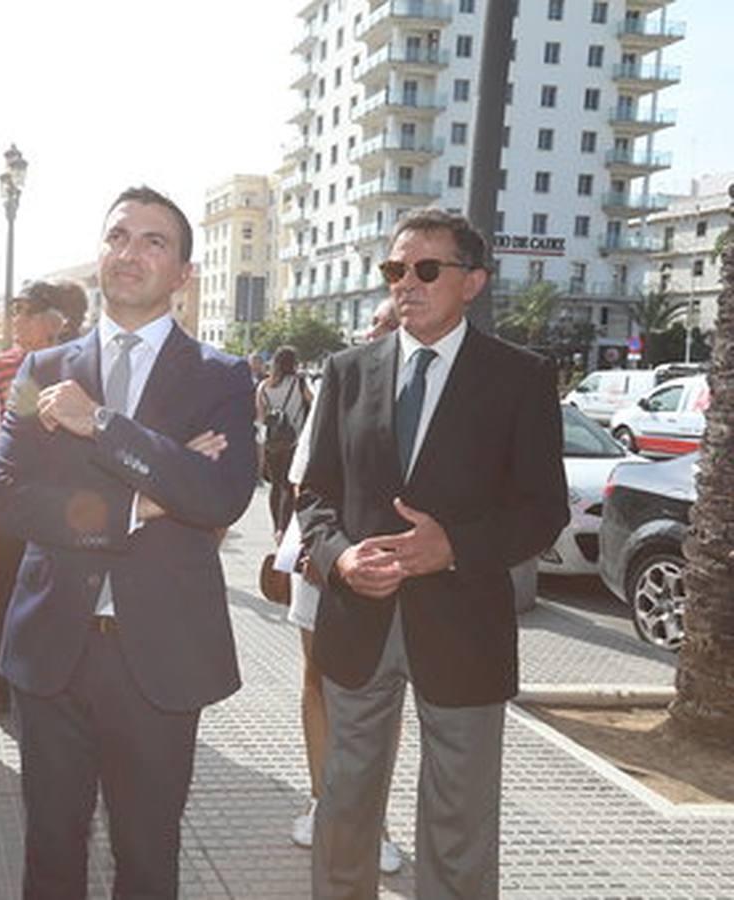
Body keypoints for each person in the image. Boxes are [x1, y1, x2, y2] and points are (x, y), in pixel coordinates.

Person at [0, 186, 257, 897]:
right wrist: (141, 501)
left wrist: (102, 426)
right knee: (49, 852)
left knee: (146, 857)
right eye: (117, 237)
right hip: (52, 652)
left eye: (152, 241)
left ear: (183, 274)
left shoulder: (220, 378)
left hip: (162, 656)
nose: (128, 253)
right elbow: (2, 497)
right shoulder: (43, 370)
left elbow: (219, 496)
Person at [298, 208, 568, 898]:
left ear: (472, 281)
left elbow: (543, 511)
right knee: (345, 806)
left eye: (426, 269)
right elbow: (314, 496)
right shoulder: (346, 370)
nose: (406, 283)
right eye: (395, 269)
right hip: (357, 625)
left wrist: (453, 547)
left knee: (458, 821)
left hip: (464, 632)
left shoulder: (520, 377)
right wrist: (339, 559)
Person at [285, 297, 402, 875]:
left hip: (386, 567)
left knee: (376, 691)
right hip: (322, 555)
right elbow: (305, 476)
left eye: (392, 323)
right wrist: (319, 549)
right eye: (378, 320)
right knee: (318, 679)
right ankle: (320, 798)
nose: (382, 329)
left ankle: (371, 819)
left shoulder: (413, 388)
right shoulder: (344, 376)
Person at [0, 279, 88, 728]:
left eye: (25, 310)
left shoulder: (78, 369)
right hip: (2, 497)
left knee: (53, 595)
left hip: (58, 503)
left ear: (53, 320)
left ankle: (46, 690)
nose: (15, 318)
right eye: (15, 308)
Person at [257, 345, 313, 533]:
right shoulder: (299, 383)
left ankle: (275, 527)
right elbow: (314, 404)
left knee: (275, 486)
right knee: (288, 486)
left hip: (272, 442)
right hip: (294, 440)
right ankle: (283, 527)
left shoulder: (264, 386)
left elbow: (261, 417)